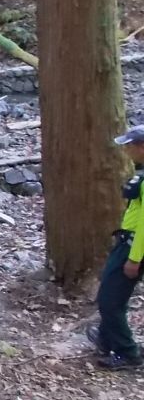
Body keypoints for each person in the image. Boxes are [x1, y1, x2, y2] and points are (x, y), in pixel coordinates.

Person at [86, 125, 144, 370]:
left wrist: (134, 258)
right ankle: (107, 338)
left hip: (133, 246)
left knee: (109, 300)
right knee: (112, 296)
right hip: (128, 242)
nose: (127, 150)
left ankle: (127, 353)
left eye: (130, 145)